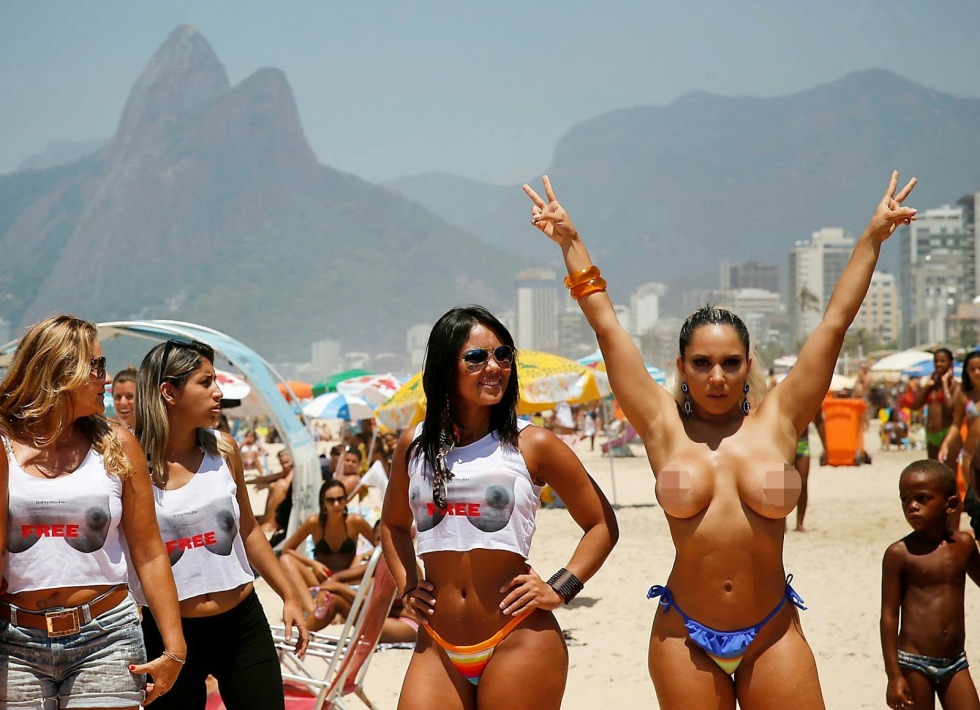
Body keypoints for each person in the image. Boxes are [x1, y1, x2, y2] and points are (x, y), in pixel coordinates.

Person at [524, 171, 916, 706]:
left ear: (747, 364)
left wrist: (872, 239)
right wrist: (571, 244)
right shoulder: (664, 428)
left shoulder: (779, 421)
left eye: (731, 364)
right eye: (702, 364)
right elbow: (608, 327)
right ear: (682, 367)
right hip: (683, 634)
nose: (717, 377)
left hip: (774, 629)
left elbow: (834, 324)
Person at [381, 305, 618, 707]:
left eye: (503, 355)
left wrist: (561, 588)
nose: (494, 366)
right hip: (437, 644)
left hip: (519, 639)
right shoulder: (414, 444)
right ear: (445, 366)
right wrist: (407, 586)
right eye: (476, 357)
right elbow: (393, 525)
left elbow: (602, 523)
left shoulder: (532, 443)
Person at [0, 314, 185, 708]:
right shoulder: (3, 445)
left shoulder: (117, 444)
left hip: (107, 638)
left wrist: (174, 648)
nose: (106, 377)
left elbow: (150, 551)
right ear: (60, 372)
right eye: (97, 366)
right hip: (13, 642)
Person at [135, 339, 309, 709]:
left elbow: (247, 529)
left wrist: (289, 594)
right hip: (168, 633)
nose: (218, 392)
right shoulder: (131, 466)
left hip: (242, 623)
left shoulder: (224, 449)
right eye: (205, 381)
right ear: (168, 391)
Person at [880, 460, 980, 709]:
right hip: (913, 663)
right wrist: (894, 675)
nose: (912, 506)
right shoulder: (899, 554)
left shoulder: (964, 546)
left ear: (951, 504)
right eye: (905, 499)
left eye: (922, 499)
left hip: (956, 661)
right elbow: (889, 616)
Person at [279, 479, 375, 627]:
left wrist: (362, 557)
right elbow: (288, 549)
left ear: (345, 500)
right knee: (285, 560)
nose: (336, 504)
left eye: (340, 499)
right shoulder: (314, 523)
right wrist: (313, 563)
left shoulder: (355, 522)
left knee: (380, 568)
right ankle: (314, 612)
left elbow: (383, 547)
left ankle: (321, 611)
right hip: (322, 580)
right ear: (323, 503)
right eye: (331, 500)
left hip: (347, 581)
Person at [939, 350, 980, 537]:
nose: (977, 372)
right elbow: (956, 424)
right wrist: (946, 444)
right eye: (972, 369)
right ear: (967, 372)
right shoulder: (965, 396)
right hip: (971, 458)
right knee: (974, 504)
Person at [912, 348, 960, 469]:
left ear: (950, 363)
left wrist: (944, 384)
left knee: (949, 473)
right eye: (936, 361)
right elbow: (915, 406)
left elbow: (950, 408)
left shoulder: (956, 386)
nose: (938, 364)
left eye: (942, 361)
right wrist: (927, 386)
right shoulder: (931, 386)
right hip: (931, 435)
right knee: (935, 474)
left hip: (947, 434)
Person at [255, 448, 295, 535]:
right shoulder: (285, 471)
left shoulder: (293, 470)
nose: (284, 466)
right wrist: (245, 481)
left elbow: (287, 484)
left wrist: (267, 486)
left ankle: (271, 522)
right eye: (282, 463)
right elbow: (267, 478)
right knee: (276, 485)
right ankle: (266, 518)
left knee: (278, 485)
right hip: (286, 503)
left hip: (289, 504)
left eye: (286, 463)